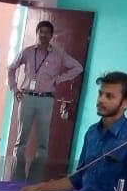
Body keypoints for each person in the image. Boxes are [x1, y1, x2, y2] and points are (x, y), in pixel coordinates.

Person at [17, 72, 127, 191]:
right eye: (100, 94)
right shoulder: (92, 132)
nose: (101, 100)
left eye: (109, 96)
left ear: (125, 103)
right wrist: (38, 188)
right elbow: (77, 179)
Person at [7, 20, 83, 164]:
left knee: (43, 139)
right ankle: (16, 171)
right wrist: (14, 88)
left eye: (47, 33)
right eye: (41, 32)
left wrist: (59, 79)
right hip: (27, 97)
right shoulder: (27, 52)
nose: (43, 35)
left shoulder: (58, 54)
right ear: (37, 33)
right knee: (21, 138)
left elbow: (78, 67)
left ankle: (39, 174)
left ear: (51, 36)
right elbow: (11, 68)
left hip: (46, 99)